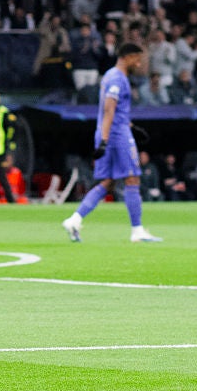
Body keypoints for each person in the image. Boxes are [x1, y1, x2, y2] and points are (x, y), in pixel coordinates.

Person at [62, 43, 162, 243]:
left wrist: (130, 126)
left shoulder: (109, 75)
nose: (139, 63)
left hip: (111, 131)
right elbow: (109, 108)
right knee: (132, 178)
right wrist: (106, 140)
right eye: (137, 58)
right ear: (129, 56)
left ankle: (74, 219)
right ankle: (137, 231)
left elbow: (114, 110)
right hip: (116, 136)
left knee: (107, 182)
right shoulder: (118, 78)